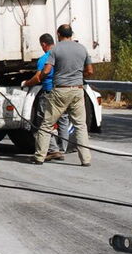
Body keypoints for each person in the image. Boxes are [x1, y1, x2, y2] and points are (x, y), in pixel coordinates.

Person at [32, 24, 93, 166]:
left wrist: (39, 77)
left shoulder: (56, 49)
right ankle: (85, 159)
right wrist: (77, 75)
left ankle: (39, 157)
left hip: (60, 90)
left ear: (58, 34)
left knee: (47, 124)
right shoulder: (82, 48)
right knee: (80, 125)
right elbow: (90, 71)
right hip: (78, 90)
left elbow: (47, 71)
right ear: (71, 34)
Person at [22, 33, 70, 160]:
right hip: (63, 91)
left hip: (49, 92)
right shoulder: (62, 56)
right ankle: (62, 149)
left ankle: (53, 150)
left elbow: (38, 77)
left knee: (43, 121)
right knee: (63, 119)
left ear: (43, 44)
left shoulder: (45, 58)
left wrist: (26, 83)